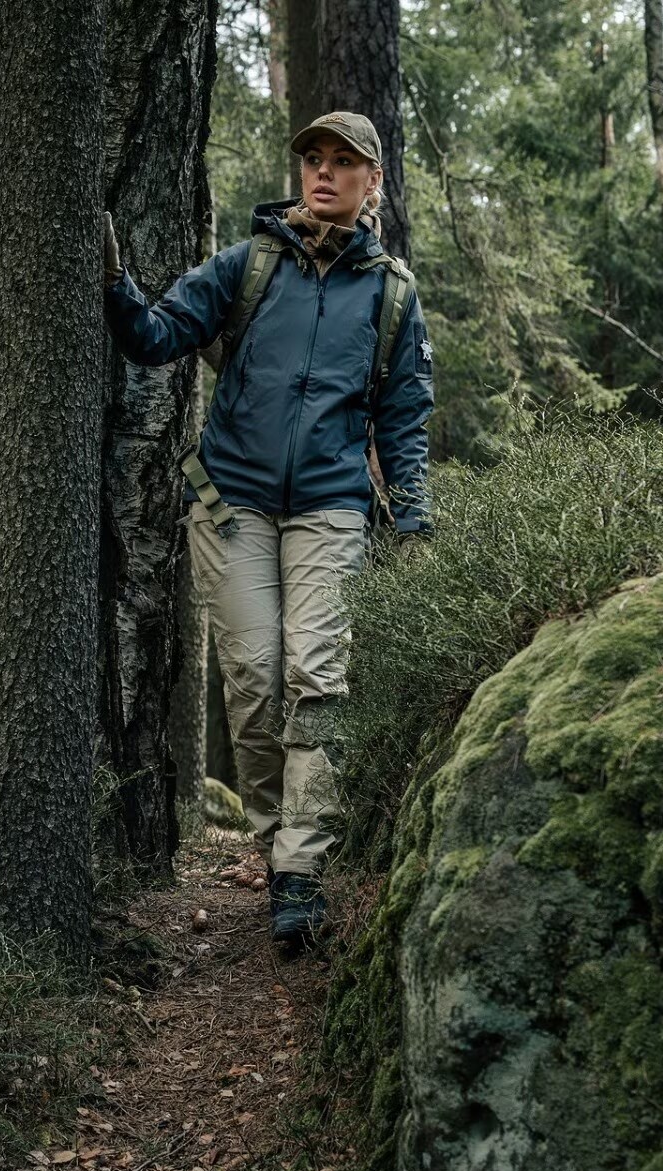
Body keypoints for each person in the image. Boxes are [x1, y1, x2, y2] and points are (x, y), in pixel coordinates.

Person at [101, 111, 434, 948]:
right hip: (233, 501)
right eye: (313, 159)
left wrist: (415, 514)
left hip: (331, 504)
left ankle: (299, 870)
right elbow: (156, 338)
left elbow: (404, 418)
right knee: (253, 676)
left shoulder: (390, 292)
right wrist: (114, 288)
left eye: (343, 163)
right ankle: (270, 834)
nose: (323, 173)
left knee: (316, 675)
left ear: (373, 182)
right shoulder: (248, 263)